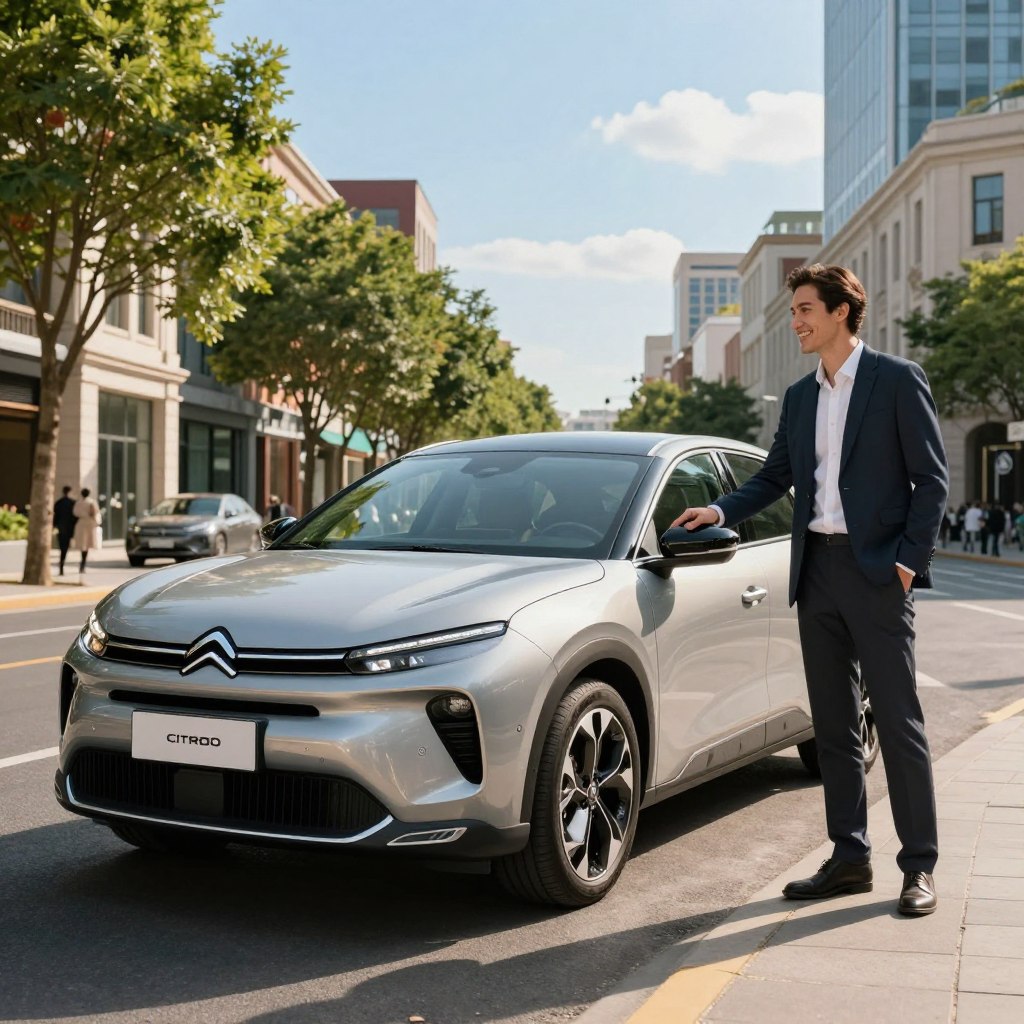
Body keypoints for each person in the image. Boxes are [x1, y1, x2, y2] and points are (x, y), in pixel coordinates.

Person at [672, 263, 948, 917]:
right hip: (814, 573)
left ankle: (919, 868)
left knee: (900, 724)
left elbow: (932, 482)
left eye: (803, 310)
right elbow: (773, 478)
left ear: (840, 312)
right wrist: (719, 511)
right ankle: (850, 857)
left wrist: (906, 566)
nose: (795, 321)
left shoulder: (896, 381)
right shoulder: (800, 398)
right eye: (793, 311)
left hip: (876, 573)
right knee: (833, 727)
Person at [72, 488, 102, 574]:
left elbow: (75, 512)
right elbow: (95, 513)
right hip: (89, 524)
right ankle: (83, 564)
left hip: (81, 523)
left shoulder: (78, 502)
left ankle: (82, 564)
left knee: (83, 544)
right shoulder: (91, 502)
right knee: (86, 544)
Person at [53, 485, 76, 576]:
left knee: (62, 547)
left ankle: (61, 564)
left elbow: (55, 517)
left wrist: (54, 526)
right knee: (65, 548)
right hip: (69, 528)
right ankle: (62, 564)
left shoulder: (58, 503)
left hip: (61, 528)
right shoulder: (72, 503)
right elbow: (74, 517)